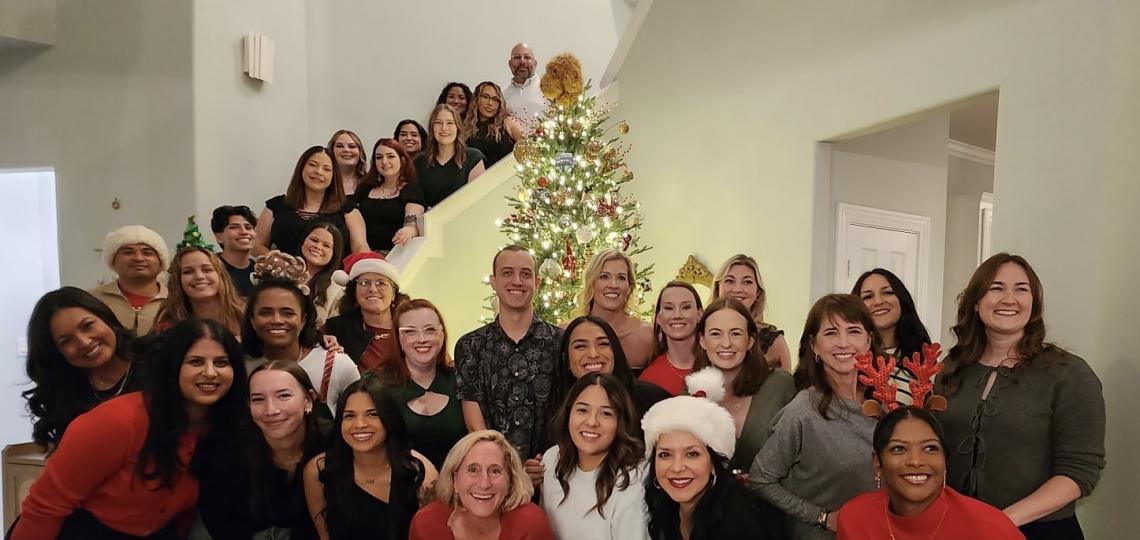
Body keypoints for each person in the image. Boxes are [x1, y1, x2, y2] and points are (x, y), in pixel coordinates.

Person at [11, 318, 248, 539]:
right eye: (195, 361)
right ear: (172, 367)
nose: (210, 372)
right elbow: (45, 508)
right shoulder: (119, 421)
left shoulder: (227, 428)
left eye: (221, 362)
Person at [934, 253, 1105, 538]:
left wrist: (1000, 522)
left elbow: (1080, 472)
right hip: (957, 528)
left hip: (1041, 531)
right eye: (996, 288)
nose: (1009, 299)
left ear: (1034, 304)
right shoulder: (950, 369)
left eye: (1021, 289)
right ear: (976, 302)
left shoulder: (1069, 374)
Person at [750, 294, 880, 539]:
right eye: (831, 333)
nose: (843, 343)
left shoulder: (887, 403)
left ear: (869, 340)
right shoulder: (803, 411)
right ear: (813, 345)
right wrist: (822, 518)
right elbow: (760, 479)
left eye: (853, 331)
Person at [837, 407, 1025, 540]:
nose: (916, 461)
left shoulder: (991, 530)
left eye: (930, 448)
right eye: (899, 449)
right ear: (877, 461)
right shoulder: (854, 518)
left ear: (945, 460)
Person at [642, 368, 786, 540]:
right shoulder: (666, 508)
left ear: (714, 463)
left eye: (692, 454)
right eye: (665, 455)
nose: (677, 467)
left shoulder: (738, 522)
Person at [196, 361, 327, 540]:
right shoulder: (229, 450)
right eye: (258, 399)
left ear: (308, 399)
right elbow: (220, 521)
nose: (270, 410)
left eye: (283, 396)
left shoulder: (334, 446)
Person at [455, 245, 562, 465]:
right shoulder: (470, 346)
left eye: (525, 274)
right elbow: (476, 425)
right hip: (494, 472)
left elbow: (569, 408)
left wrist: (546, 465)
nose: (517, 281)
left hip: (552, 470)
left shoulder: (561, 342)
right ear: (493, 282)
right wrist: (507, 469)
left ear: (537, 283)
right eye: (507, 273)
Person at [302, 374, 438, 540]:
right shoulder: (319, 470)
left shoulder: (420, 471)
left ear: (389, 419)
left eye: (372, 414)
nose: (360, 424)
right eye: (349, 416)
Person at [22, 287, 146, 451]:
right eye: (66, 341)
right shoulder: (66, 395)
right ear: (57, 353)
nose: (84, 342)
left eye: (87, 326)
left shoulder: (156, 359)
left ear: (104, 316)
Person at [242, 251, 360, 417]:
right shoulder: (240, 368)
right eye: (266, 312)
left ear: (303, 320)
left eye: (288, 313)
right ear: (252, 320)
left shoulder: (337, 366)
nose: (277, 320)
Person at [692, 298, 796, 473]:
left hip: (774, 498)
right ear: (702, 341)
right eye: (716, 333)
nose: (726, 343)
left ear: (750, 341)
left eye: (736, 333)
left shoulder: (781, 386)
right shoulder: (691, 396)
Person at [542, 373, 650, 540]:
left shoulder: (635, 475)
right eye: (582, 410)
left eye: (606, 413)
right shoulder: (551, 459)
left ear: (620, 421)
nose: (592, 422)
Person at [409, 430, 555, 540]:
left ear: (510, 481)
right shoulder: (426, 524)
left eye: (495, 471)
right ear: (454, 480)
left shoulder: (530, 523)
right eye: (473, 470)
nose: (484, 483)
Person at [384, 298, 466, 469]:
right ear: (398, 337)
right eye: (410, 332)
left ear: (441, 334)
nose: (421, 339)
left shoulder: (461, 379)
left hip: (460, 487)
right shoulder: (377, 386)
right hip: (399, 488)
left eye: (430, 330)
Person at [253, 145, 369, 258]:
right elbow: (256, 244)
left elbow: (360, 248)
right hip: (284, 274)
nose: (319, 172)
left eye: (327, 169)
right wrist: (278, 262)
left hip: (333, 276)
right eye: (313, 165)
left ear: (334, 176)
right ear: (301, 168)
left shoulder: (348, 209)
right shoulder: (276, 206)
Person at [852, 268, 933, 405]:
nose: (878, 301)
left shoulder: (923, 359)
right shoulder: (850, 359)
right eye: (868, 297)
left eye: (888, 293)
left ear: (902, 300)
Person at [571, 249, 655, 370]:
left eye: (621, 278)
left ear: (629, 286)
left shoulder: (647, 335)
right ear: (591, 283)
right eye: (604, 277)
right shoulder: (569, 333)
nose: (613, 285)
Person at [323, 252, 406, 373]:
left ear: (393, 294)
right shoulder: (336, 328)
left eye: (381, 283)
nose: (373, 289)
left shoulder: (409, 329)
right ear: (354, 293)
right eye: (364, 283)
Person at [712, 254, 792, 371]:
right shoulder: (699, 334)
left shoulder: (775, 342)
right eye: (730, 281)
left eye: (747, 282)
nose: (738, 289)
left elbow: (787, 387)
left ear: (758, 293)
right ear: (718, 288)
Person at [88, 224, 170, 335]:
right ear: (113, 261)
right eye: (128, 252)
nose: (138, 258)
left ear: (161, 261)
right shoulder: (91, 300)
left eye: (147, 253)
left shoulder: (175, 301)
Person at [154, 246, 245, 338]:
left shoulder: (246, 315)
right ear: (178, 281)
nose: (199, 276)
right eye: (188, 272)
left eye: (207, 270)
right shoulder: (167, 328)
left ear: (221, 275)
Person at [353, 138, 425, 253]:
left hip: (394, 255)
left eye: (390, 156)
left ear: (402, 160)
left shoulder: (411, 189)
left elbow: (411, 224)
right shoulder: (365, 187)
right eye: (379, 157)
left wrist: (408, 230)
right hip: (363, 253)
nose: (384, 162)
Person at [415, 104, 486, 207]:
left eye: (450, 123)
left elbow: (477, 200)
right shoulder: (419, 161)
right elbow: (416, 201)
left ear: (457, 127)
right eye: (438, 123)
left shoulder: (474, 157)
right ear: (432, 128)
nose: (444, 128)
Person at [640, 281, 703, 396]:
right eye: (669, 308)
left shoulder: (718, 365)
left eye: (686, 307)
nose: (677, 315)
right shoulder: (649, 378)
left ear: (699, 315)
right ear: (659, 317)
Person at [464, 81, 527, 168]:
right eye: (485, 97)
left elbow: (528, 149)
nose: (490, 103)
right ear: (476, 99)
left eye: (495, 100)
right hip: (476, 179)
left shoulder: (508, 122)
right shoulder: (465, 128)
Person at [298, 222, 346, 326]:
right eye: (314, 240)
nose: (318, 247)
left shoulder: (338, 292)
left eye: (326, 245)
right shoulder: (281, 272)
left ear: (335, 253)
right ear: (303, 241)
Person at [210, 205, 258, 298]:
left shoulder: (261, 270)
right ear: (219, 237)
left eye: (248, 227)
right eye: (234, 227)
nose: (244, 232)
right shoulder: (211, 268)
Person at [504, 43, 547, 124]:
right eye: (517, 57)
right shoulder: (503, 96)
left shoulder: (548, 89)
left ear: (535, 63)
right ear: (510, 64)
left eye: (527, 57)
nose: (522, 61)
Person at [327, 129, 367, 195]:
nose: (346, 150)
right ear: (332, 151)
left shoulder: (370, 183)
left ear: (360, 152)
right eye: (340, 146)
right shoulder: (324, 182)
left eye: (352, 146)